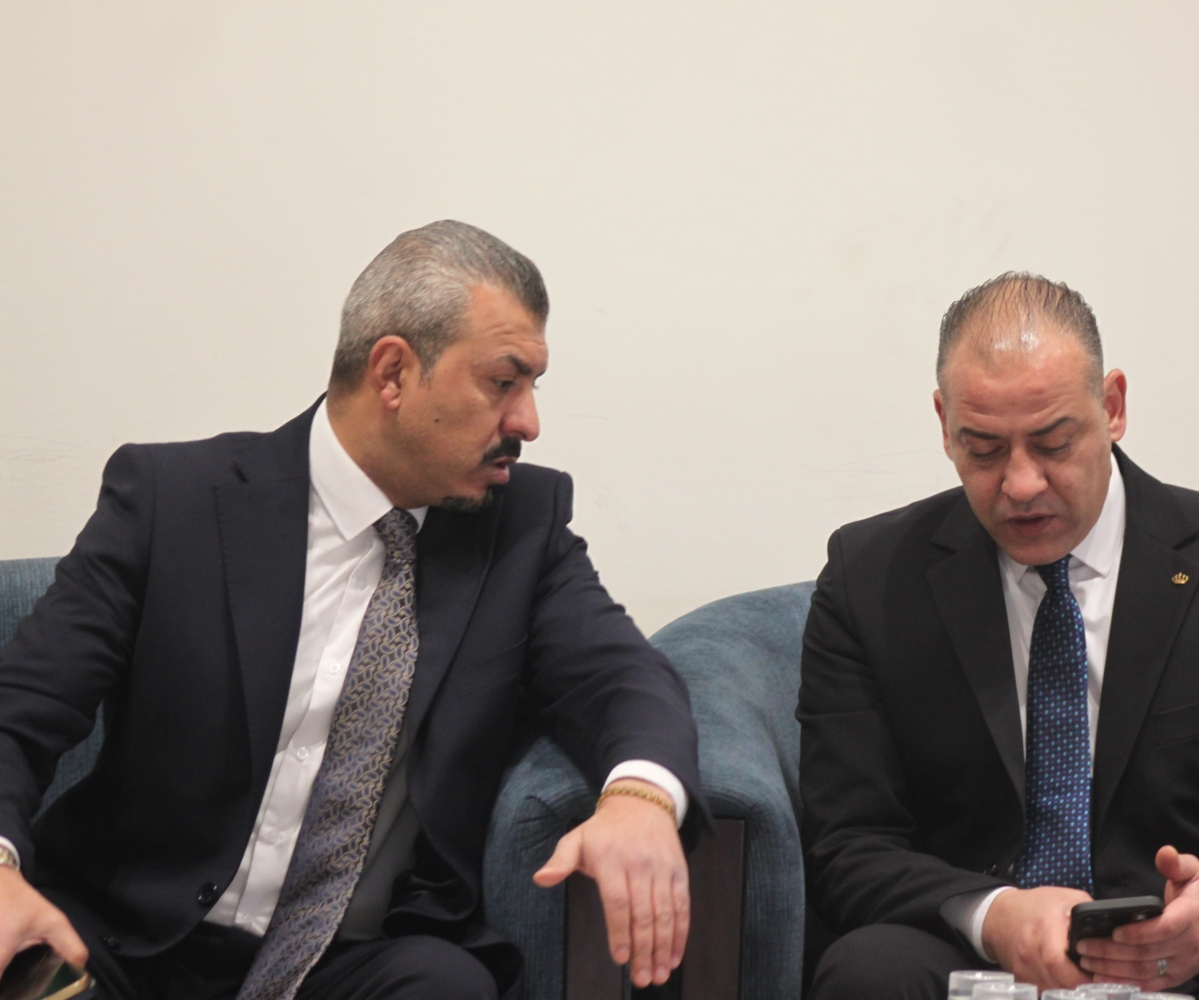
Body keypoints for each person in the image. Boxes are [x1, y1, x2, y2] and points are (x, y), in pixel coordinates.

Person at [0, 221, 704, 1000]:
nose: (528, 423)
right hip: (120, 941)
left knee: (448, 988)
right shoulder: (176, 503)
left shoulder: (521, 533)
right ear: (393, 372)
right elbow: (23, 707)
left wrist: (640, 798)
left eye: (534, 386)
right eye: (504, 383)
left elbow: (621, 677)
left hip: (352, 963)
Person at [797, 273, 1199, 999]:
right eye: (984, 449)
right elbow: (849, 845)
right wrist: (994, 914)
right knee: (869, 970)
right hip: (977, 961)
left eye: (1054, 443)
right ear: (944, 423)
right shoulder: (871, 579)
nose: (1021, 484)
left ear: (1113, 406)